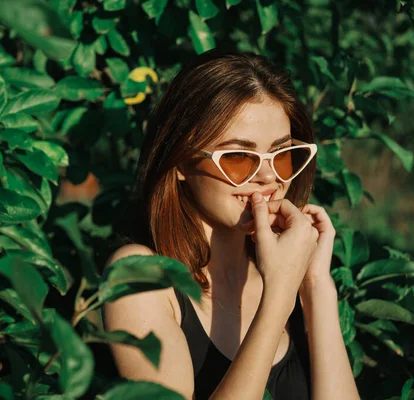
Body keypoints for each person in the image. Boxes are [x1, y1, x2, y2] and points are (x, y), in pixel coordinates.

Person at [101, 50, 360, 400]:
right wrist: (279, 295)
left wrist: (315, 285)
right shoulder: (142, 278)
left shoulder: (293, 272)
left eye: (281, 154)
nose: (268, 176)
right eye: (239, 157)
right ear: (179, 160)